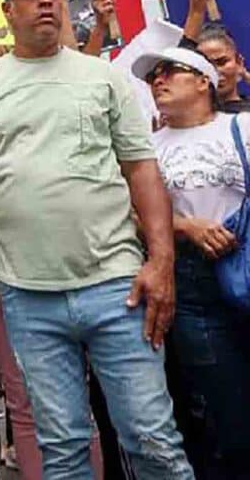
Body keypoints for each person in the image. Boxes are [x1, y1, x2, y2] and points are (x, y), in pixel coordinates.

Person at [0, 0, 193, 478]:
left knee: (152, 439)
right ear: (7, 10)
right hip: (29, 297)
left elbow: (142, 171)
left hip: (119, 287)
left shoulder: (103, 78)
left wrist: (161, 261)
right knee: (63, 449)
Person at [131, 46, 250, 478]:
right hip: (191, 285)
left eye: (170, 72)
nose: (158, 80)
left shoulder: (242, 126)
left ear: (204, 81)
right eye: (152, 77)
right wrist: (186, 228)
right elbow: (133, 215)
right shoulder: (145, 149)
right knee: (228, 411)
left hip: (245, 261)